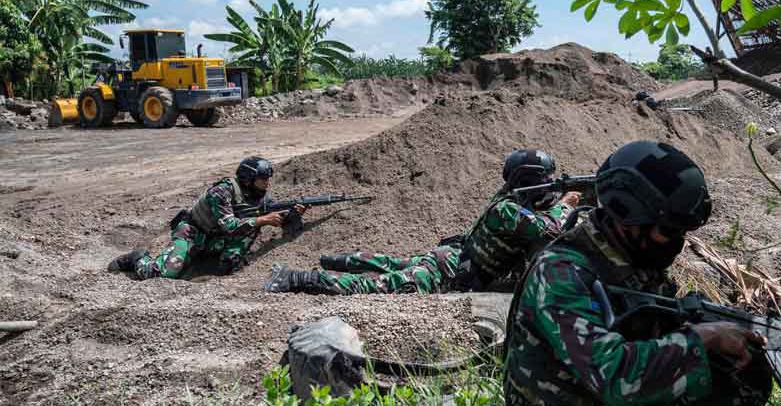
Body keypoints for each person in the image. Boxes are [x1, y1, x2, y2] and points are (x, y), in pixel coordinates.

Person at [489, 140, 772, 406]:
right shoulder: (561, 273)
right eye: (667, 230)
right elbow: (613, 374)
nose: (676, 242)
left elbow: (671, 321)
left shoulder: (633, 263)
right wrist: (702, 339)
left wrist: (775, 339)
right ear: (627, 215)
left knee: (744, 374)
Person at [262, 149, 580, 295]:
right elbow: (549, 226)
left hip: (451, 258)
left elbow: (537, 212)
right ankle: (295, 278)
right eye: (546, 179)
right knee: (377, 285)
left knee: (389, 263)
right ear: (530, 180)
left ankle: (336, 260)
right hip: (447, 272)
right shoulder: (507, 211)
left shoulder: (508, 199)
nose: (551, 184)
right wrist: (566, 203)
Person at [108, 156, 304, 279]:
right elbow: (230, 226)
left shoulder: (258, 196)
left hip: (216, 239)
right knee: (160, 274)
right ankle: (137, 258)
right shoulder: (222, 192)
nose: (267, 183)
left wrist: (293, 214)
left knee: (246, 237)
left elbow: (275, 218)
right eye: (263, 179)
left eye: (268, 179)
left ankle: (217, 264)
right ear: (248, 179)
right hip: (192, 234)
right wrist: (263, 219)